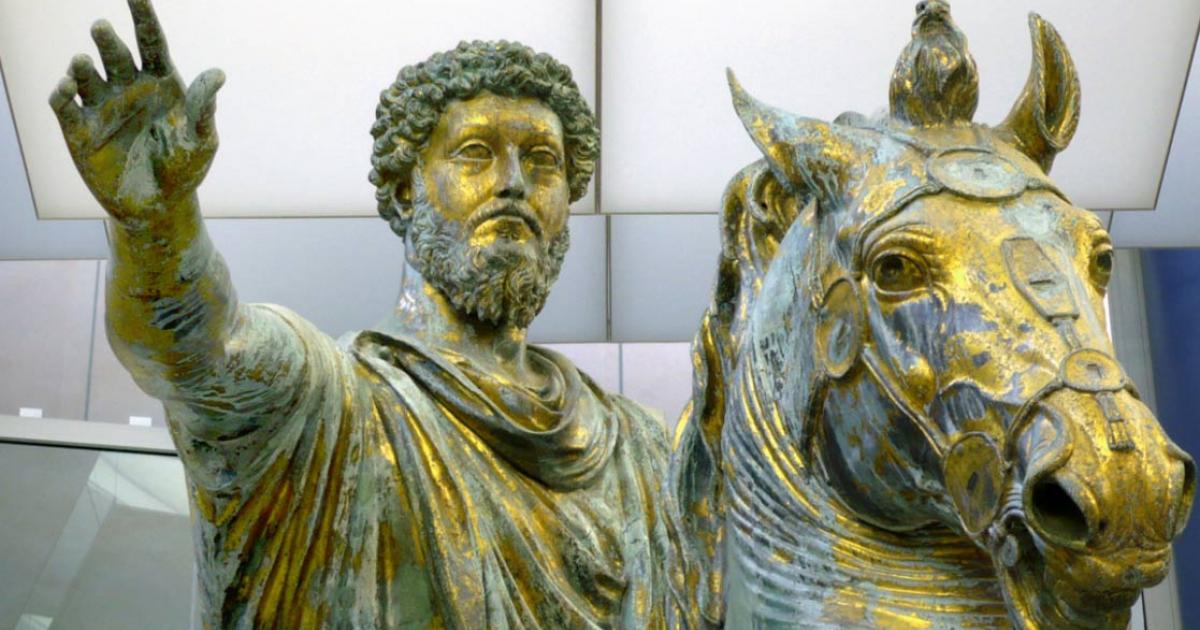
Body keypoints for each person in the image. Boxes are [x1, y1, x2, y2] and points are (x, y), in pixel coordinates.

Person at [49, 1, 671, 627]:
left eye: (543, 162)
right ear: (407, 189)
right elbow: (204, 352)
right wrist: (156, 227)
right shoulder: (327, 401)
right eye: (477, 152)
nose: (513, 181)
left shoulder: (642, 450)